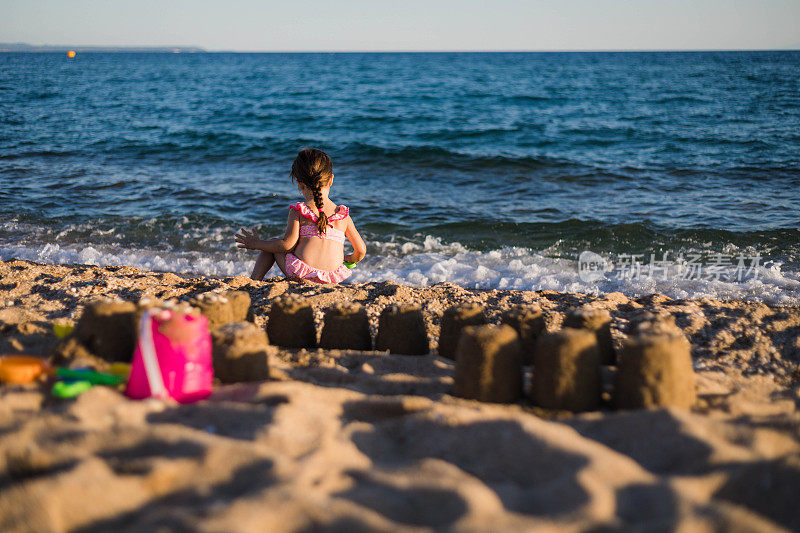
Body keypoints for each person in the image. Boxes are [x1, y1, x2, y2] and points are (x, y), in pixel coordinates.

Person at [235, 148, 366, 283]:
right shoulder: (342, 215)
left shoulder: (300, 210)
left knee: (272, 245)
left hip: (303, 275)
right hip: (331, 278)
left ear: (299, 183)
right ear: (331, 180)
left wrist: (256, 244)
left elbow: (286, 246)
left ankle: (254, 281)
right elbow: (361, 251)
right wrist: (349, 259)